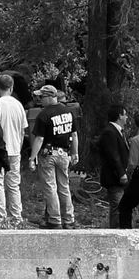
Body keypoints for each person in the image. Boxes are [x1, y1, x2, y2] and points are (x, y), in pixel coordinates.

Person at [29, 84, 79, 229]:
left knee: (50, 188)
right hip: (64, 154)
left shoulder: (43, 115)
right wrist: (75, 153)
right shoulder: (68, 112)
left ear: (50, 97)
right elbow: (74, 135)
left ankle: (55, 219)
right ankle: (69, 220)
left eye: (41, 97)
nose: (39, 100)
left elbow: (39, 139)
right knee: (64, 187)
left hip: (48, 155)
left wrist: (32, 158)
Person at [0, 74, 28, 226]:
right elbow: (22, 130)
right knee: (13, 185)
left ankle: (0, 216)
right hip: (15, 149)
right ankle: (16, 217)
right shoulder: (19, 105)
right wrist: (19, 146)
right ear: (12, 88)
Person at [97, 103, 130, 228]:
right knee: (117, 205)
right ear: (119, 116)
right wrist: (121, 173)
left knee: (122, 205)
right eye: (125, 115)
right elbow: (113, 155)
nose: (127, 118)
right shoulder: (109, 132)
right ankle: (116, 229)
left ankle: (123, 227)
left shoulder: (119, 132)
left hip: (121, 175)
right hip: (114, 176)